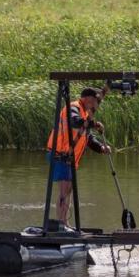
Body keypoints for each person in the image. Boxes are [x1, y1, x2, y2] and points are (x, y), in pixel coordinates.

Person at [46, 86, 111, 227]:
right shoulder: (74, 107)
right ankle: (61, 224)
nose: (95, 104)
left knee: (68, 189)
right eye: (94, 101)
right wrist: (92, 124)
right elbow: (74, 121)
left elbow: (88, 138)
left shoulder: (85, 113)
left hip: (69, 157)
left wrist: (101, 148)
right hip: (60, 154)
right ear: (87, 99)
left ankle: (65, 224)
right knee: (64, 189)